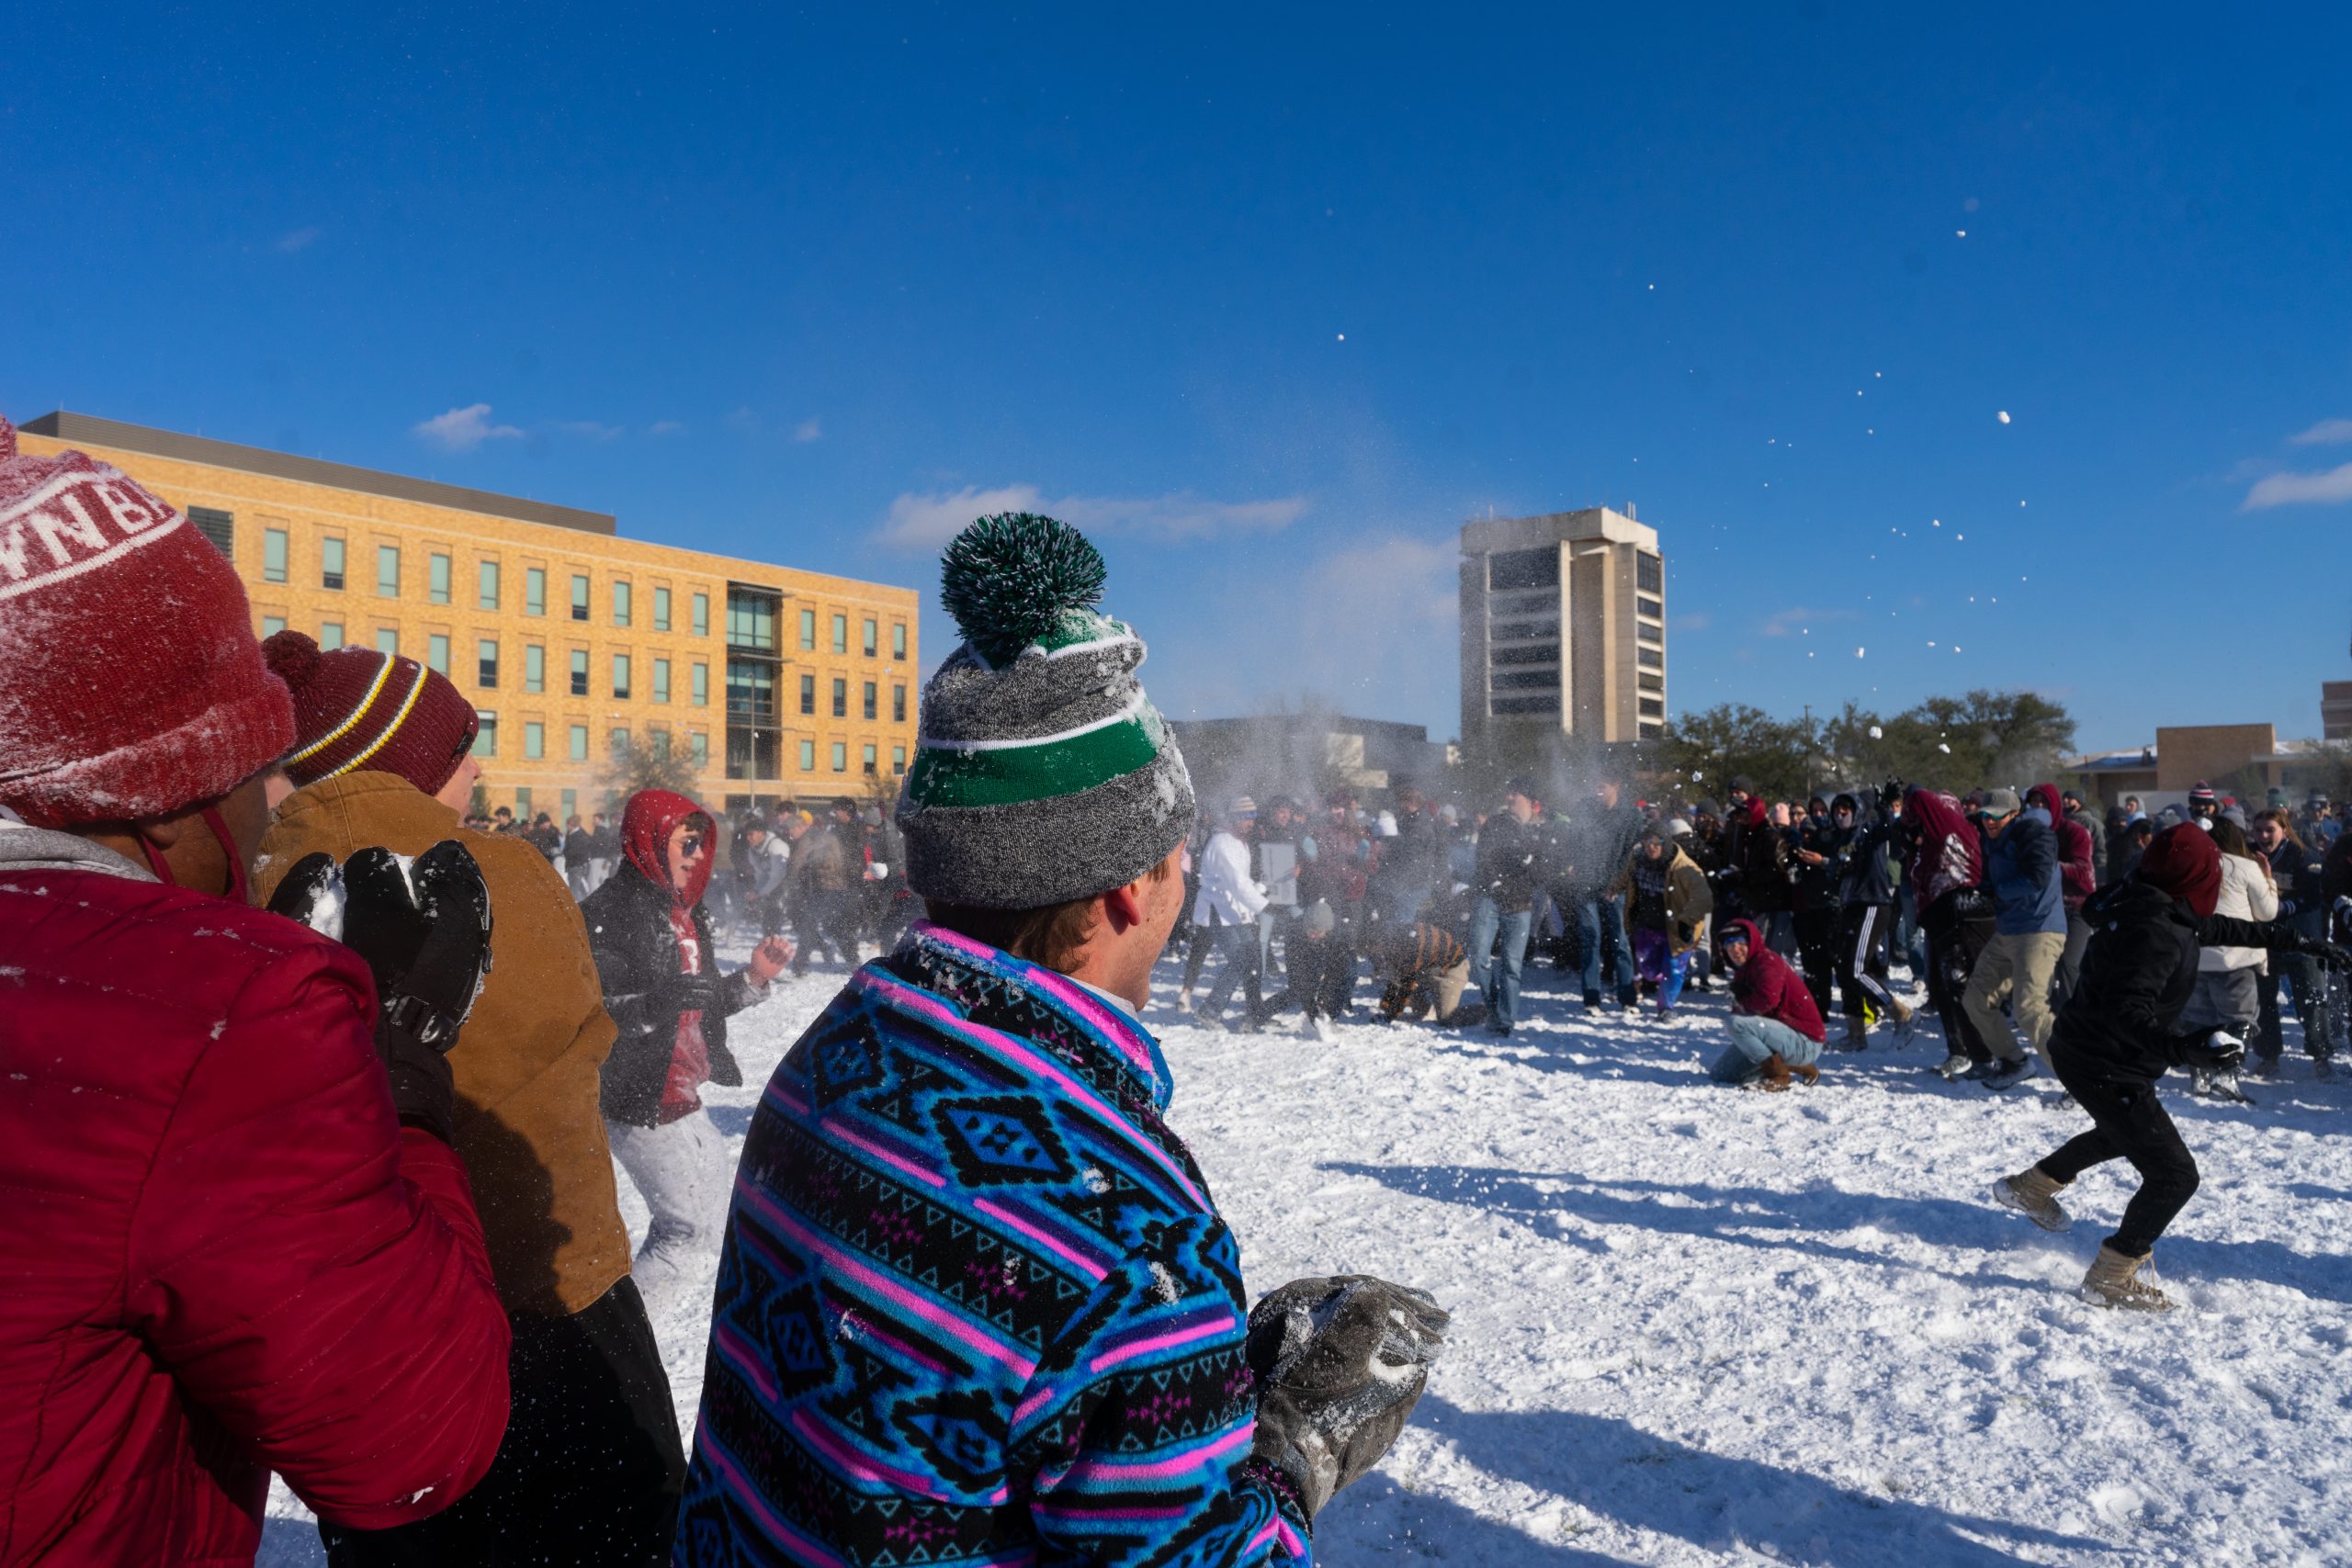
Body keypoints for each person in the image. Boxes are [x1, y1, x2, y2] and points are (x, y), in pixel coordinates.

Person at [678, 513, 1447, 1563]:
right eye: (1174, 852)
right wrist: (1292, 1446)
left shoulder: (840, 1045)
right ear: (1132, 886)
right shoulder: (1122, 1226)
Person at [0, 416, 510, 1562]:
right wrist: (406, 1080)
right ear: (164, 790)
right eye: (254, 768)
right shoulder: (220, 1017)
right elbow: (416, 1439)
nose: (269, 806)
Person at [254, 629, 688, 1564]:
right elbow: (580, 1044)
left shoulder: (253, 888)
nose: (480, 765)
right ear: (408, 762)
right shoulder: (506, 875)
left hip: (366, 1338)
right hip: (545, 1301)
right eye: (462, 745)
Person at [1990, 825, 2348, 1309]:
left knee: (2124, 1133)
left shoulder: (2152, 900)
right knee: (2174, 1176)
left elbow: (2223, 928)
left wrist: (2300, 942)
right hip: (2107, 1062)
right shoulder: (2155, 932)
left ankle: (2031, 1188)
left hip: (2088, 1050)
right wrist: (2186, 1048)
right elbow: (2127, 1013)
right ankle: (2111, 1275)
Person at [583, 789, 794, 1321]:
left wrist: (751, 981)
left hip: (684, 1092)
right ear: (650, 840)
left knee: (714, 1223)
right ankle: (614, 1359)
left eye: (704, 844)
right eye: (688, 842)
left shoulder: (683, 914)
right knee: (687, 1236)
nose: (700, 855)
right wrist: (653, 1005)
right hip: (638, 1095)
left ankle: (621, 1351)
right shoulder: (608, 913)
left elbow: (696, 1006)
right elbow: (591, 1014)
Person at [1960, 787, 2065, 1089]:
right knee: (1976, 999)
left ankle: (2078, 1078)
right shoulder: (1990, 836)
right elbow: (1993, 880)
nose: (1989, 822)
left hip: (2039, 929)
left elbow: (2038, 876)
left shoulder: (2034, 833)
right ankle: (2014, 1061)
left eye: (1996, 817)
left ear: (2014, 814)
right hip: (2008, 929)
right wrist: (1980, 892)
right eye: (1985, 816)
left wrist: (1995, 893)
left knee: (2030, 1010)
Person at [2174, 813, 2278, 1095]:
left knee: (2198, 1019)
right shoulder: (2245, 866)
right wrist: (2268, 878)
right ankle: (2227, 1073)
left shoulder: (2190, 867)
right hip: (2235, 957)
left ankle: (2199, 1075)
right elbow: (2267, 912)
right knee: (2239, 1018)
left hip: (2195, 956)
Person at [1468, 777, 1555, 1038]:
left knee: (1512, 965)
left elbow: (1544, 871)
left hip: (1520, 905)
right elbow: (1483, 856)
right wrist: (1495, 882)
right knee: (1479, 956)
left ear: (1528, 800)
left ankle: (1505, 1020)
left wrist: (1527, 862)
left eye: (1514, 794)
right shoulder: (1495, 824)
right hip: (1490, 898)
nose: (1508, 798)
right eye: (1508, 793)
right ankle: (1494, 1007)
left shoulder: (1540, 831)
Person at [1826, 789, 1913, 1049]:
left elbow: (1888, 828)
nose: (1841, 815)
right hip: (1849, 905)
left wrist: (1885, 806)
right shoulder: (1839, 838)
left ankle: (1901, 1013)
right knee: (1843, 970)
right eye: (1837, 810)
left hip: (1873, 903)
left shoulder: (1869, 831)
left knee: (1857, 968)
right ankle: (1855, 1034)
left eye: (1846, 810)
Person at [2253, 808, 2334, 1077]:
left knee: (2310, 999)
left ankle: (2320, 1056)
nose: (2263, 835)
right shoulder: (2251, 856)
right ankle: (2268, 1055)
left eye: (2270, 830)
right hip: (2266, 940)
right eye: (2259, 829)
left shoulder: (2303, 856)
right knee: (2263, 1001)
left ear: (2284, 831)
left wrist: (2282, 907)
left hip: (2302, 939)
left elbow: (2312, 897)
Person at [1608, 820, 1712, 1014]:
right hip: (1647, 927)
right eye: (1647, 842)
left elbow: (1702, 897)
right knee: (1648, 970)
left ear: (1666, 843)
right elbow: (1625, 876)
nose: (1651, 847)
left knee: (1673, 969)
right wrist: (1613, 887)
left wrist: (1688, 922)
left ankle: (1666, 1007)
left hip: (1676, 929)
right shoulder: (1638, 859)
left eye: (1656, 842)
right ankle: (1658, 979)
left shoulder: (1683, 867)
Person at [1710, 919, 1827, 1089]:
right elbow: (1744, 1013)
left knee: (1734, 1024)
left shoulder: (1767, 961)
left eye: (1741, 942)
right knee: (1720, 1075)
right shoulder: (1743, 972)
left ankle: (1778, 1075)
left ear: (1752, 942)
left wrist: (1741, 1000)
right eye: (1729, 944)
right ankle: (1791, 1065)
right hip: (1777, 1037)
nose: (1736, 949)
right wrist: (1738, 1001)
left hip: (1804, 1041)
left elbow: (1767, 1001)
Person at [1193, 797, 1272, 1030]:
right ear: (1235, 818)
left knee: (1252, 958)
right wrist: (1263, 905)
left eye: (1253, 818)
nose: (1251, 823)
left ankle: (1254, 1013)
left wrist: (1260, 890)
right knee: (1241, 960)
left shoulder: (1241, 844)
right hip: (1218, 910)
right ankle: (1209, 1011)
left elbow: (1243, 882)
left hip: (1238, 912)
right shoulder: (1221, 843)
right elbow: (1235, 883)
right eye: (1247, 818)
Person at [1566, 779, 1645, 1009]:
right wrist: (1572, 864)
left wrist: (1616, 884)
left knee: (1620, 941)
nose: (1598, 790)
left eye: (1604, 785)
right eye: (1596, 784)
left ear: (1616, 786)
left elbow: (1630, 855)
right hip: (1586, 884)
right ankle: (1591, 997)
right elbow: (1573, 840)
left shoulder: (1630, 815)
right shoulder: (1584, 808)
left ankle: (1627, 996)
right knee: (1591, 940)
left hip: (1615, 887)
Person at [2029, 784, 2100, 1010]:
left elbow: (2084, 872)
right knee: (2045, 964)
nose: (2039, 807)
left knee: (2070, 963)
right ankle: (2048, 1013)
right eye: (2034, 802)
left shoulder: (2075, 832)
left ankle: (2074, 1014)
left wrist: (2051, 867)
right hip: (2046, 907)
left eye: (2043, 802)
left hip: (2077, 906)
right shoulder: (2029, 832)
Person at [1374, 915, 1474, 1024]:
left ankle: (1485, 1014)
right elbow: (1395, 981)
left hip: (1452, 970)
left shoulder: (1412, 947)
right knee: (1409, 979)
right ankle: (1425, 1009)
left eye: (1376, 948)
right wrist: (1386, 1006)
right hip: (1431, 968)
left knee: (1447, 1019)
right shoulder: (1397, 944)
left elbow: (1406, 986)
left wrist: (1390, 1016)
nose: (1377, 953)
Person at [740, 815, 791, 939]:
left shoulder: (776, 846)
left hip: (789, 887)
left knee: (799, 924)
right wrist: (755, 890)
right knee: (769, 923)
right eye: (747, 835)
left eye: (751, 834)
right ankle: (770, 948)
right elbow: (761, 875)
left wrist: (760, 893)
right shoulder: (753, 851)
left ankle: (822, 949)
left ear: (761, 834)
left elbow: (778, 877)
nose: (748, 838)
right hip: (772, 888)